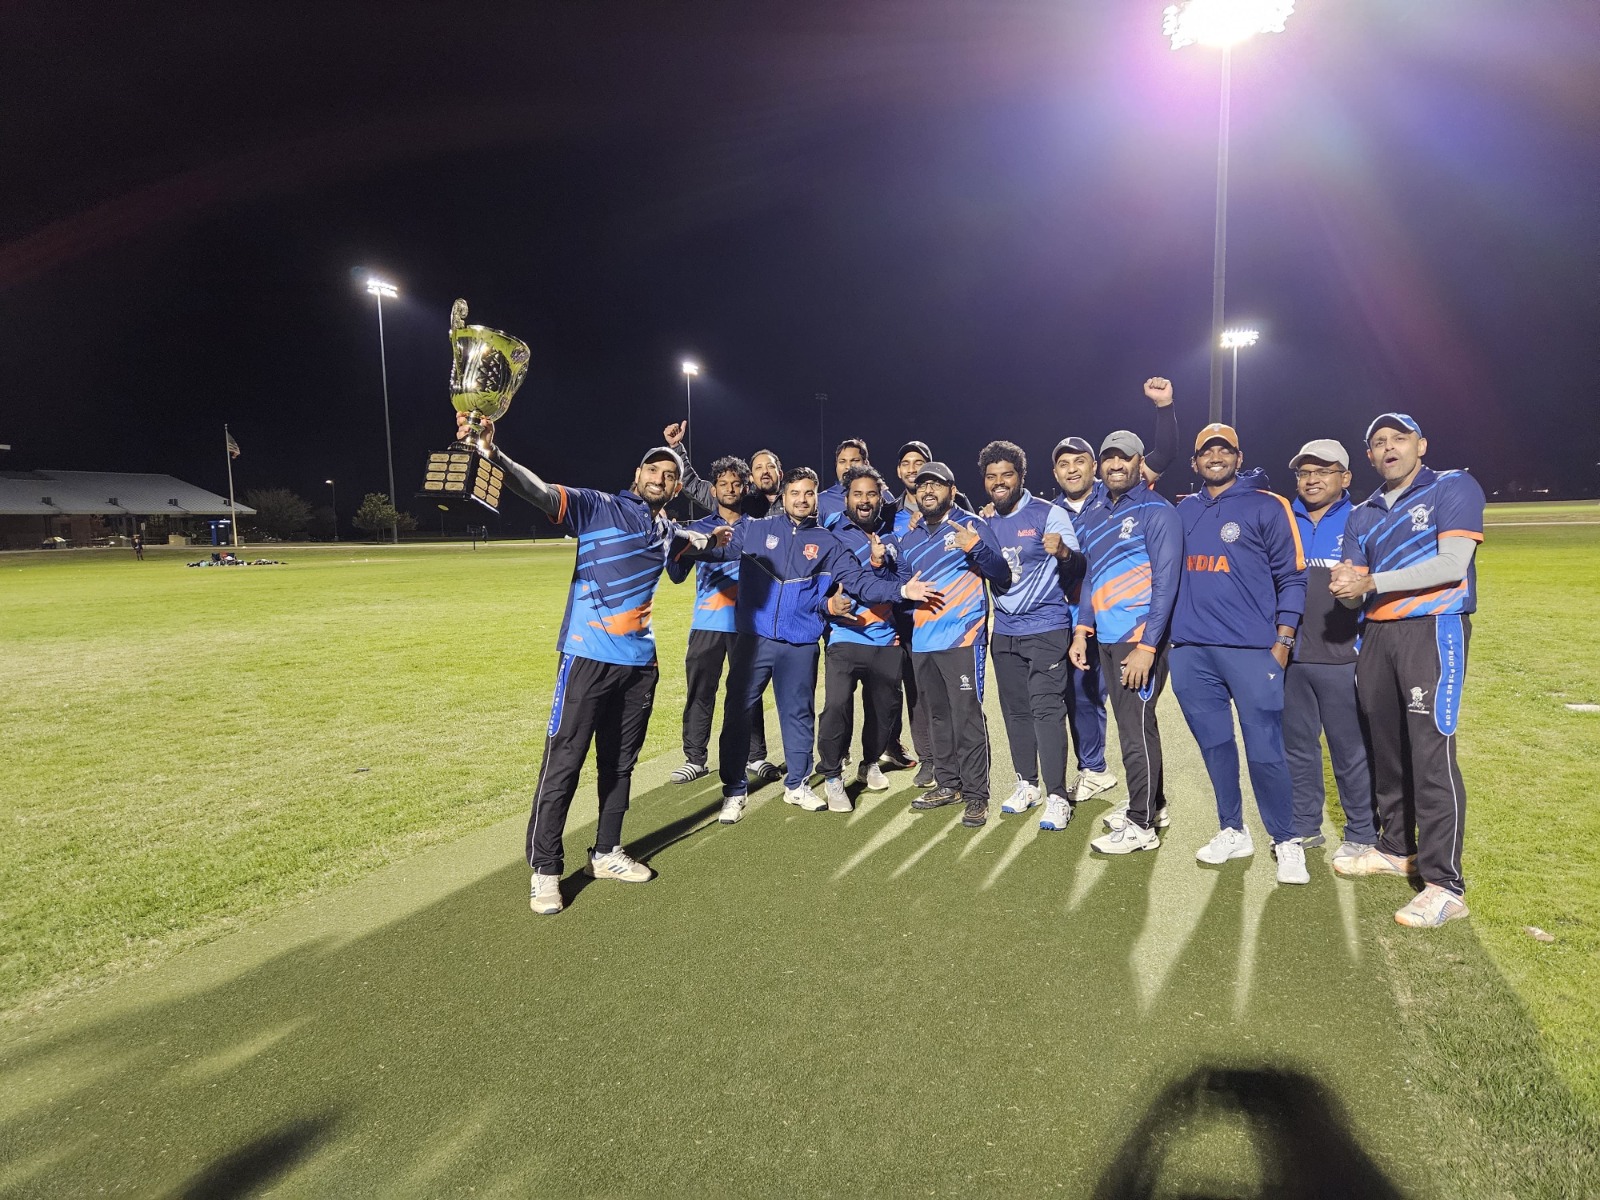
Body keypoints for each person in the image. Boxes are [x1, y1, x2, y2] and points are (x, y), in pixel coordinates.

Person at [460, 413, 731, 916]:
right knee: (564, 763)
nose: (661, 478)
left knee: (620, 765)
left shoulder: (666, 529)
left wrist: (711, 541)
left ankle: (606, 853)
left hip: (640, 666)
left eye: (670, 475)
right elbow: (540, 492)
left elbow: (690, 550)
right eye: (653, 470)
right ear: (637, 475)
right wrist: (492, 454)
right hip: (586, 658)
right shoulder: (598, 506)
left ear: (676, 488)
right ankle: (545, 870)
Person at [685, 467, 937, 823]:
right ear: (784, 496)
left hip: (800, 643)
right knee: (738, 713)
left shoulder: (828, 542)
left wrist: (901, 590)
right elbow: (715, 550)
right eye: (795, 493)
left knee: (799, 715)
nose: (802, 500)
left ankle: (798, 785)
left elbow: (859, 582)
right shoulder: (755, 529)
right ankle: (734, 791)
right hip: (754, 641)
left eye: (808, 493)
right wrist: (689, 542)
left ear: (816, 498)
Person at [1329, 413, 1484, 927]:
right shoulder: (1363, 512)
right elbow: (1353, 584)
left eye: (1399, 438)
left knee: (1431, 753)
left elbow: (1451, 564)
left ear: (1421, 445)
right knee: (1388, 751)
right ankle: (1397, 848)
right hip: (1378, 633)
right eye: (1379, 442)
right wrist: (1346, 585)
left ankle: (1445, 885)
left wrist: (1371, 582)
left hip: (1432, 628)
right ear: (1369, 456)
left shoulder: (1452, 487)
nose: (1389, 447)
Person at [1167, 422, 1309, 885]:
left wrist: (1283, 642)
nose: (1215, 456)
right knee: (1215, 746)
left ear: (1238, 457)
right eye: (1206, 451)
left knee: (1266, 751)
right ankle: (1233, 829)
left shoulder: (1268, 505)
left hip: (1252, 651)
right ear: (1195, 462)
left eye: (1224, 449)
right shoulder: (1183, 510)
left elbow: (1293, 577)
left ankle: (1286, 839)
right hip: (1191, 651)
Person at [1068, 432, 1182, 855]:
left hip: (1139, 640)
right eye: (1109, 458)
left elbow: (1166, 584)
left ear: (1139, 462)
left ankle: (1141, 824)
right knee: (1131, 726)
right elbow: (1091, 577)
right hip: (1108, 638)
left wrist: (1148, 648)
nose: (1116, 465)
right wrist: (1082, 630)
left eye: (1125, 457)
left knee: (1136, 731)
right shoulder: (1098, 513)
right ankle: (1154, 805)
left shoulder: (1158, 511)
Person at [978, 440, 1084, 830]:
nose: (999, 482)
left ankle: (1057, 796)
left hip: (1047, 628)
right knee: (1016, 712)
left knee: (1047, 710)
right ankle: (1027, 784)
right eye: (992, 476)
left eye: (1007, 474)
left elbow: (1079, 568)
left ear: (1021, 476)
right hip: (1004, 632)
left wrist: (1064, 554)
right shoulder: (985, 520)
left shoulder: (1049, 513)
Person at [898, 462, 1011, 829]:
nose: (928, 490)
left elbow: (1002, 573)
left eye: (936, 484)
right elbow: (903, 586)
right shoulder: (910, 537)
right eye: (922, 485)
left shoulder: (971, 525)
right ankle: (949, 784)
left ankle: (977, 794)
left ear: (951, 489)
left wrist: (975, 547)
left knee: (966, 716)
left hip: (963, 638)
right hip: (923, 640)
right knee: (937, 715)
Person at [1282, 439, 1379, 862]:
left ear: (1346, 477)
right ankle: (1305, 826)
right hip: (1291, 657)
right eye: (1305, 472)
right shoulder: (1283, 517)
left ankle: (1362, 832)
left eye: (1323, 471)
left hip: (1344, 656)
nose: (1312, 479)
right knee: (1297, 746)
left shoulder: (1363, 519)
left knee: (1350, 749)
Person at [663, 454, 781, 786]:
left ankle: (755, 756)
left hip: (748, 627)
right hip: (707, 624)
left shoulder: (759, 529)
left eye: (736, 484)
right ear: (713, 490)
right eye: (723, 484)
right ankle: (695, 759)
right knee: (700, 692)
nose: (730, 489)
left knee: (748, 694)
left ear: (745, 488)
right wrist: (677, 544)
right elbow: (676, 575)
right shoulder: (697, 529)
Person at [816, 465, 903, 808]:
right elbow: (813, 586)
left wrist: (883, 565)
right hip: (845, 635)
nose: (865, 500)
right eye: (858, 494)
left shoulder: (893, 534)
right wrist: (828, 607)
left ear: (881, 498)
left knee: (883, 710)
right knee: (837, 706)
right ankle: (833, 775)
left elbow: (902, 583)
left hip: (886, 638)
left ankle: (869, 764)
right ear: (846, 499)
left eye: (871, 494)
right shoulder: (830, 533)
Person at [816, 438, 869, 525]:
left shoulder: (883, 496)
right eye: (842, 461)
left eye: (855, 460)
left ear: (866, 464)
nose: (848, 466)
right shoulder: (821, 501)